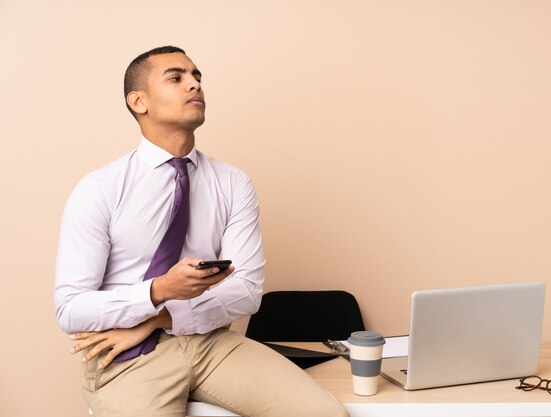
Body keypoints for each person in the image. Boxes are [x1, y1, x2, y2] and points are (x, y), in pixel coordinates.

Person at [55, 45, 348, 417]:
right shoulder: (99, 188)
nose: (194, 85)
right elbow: (71, 309)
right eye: (176, 78)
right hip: (127, 355)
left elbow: (247, 292)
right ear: (138, 101)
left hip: (212, 342)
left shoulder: (232, 183)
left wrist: (159, 317)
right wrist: (158, 290)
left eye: (197, 77)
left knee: (325, 415)